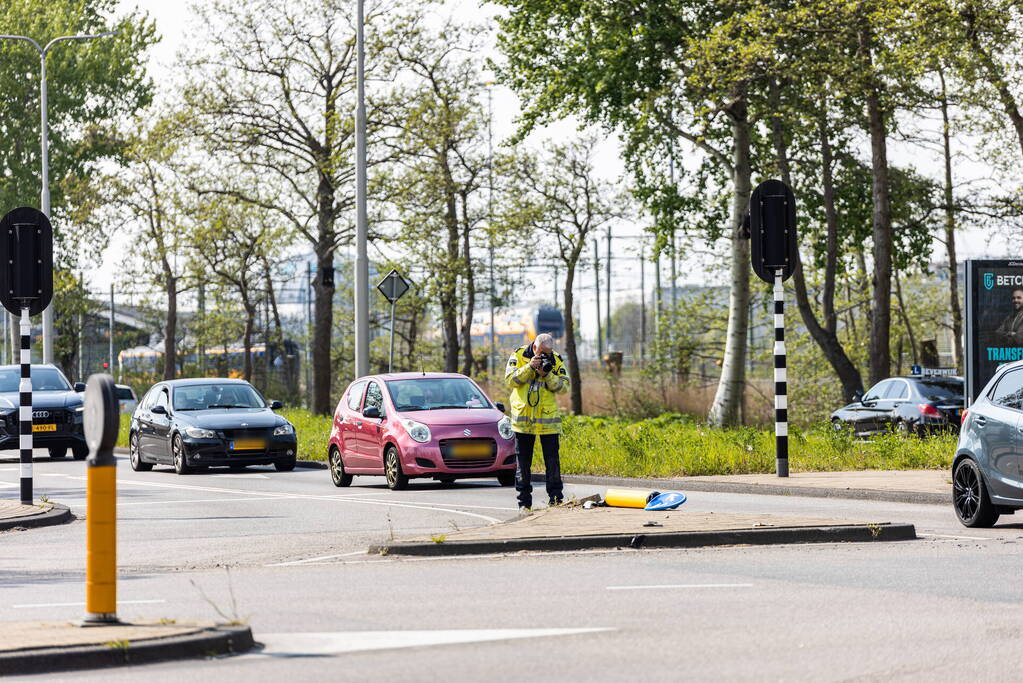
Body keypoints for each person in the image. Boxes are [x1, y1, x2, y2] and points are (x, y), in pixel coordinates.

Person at [504, 332, 570, 512]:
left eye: (547, 352)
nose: (544, 356)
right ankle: (524, 503)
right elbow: (510, 381)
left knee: (553, 462)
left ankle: (556, 500)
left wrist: (547, 374)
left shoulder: (555, 360)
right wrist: (529, 368)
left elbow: (564, 388)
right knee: (523, 464)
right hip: (523, 421)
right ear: (534, 347)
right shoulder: (518, 355)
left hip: (548, 421)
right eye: (541, 352)